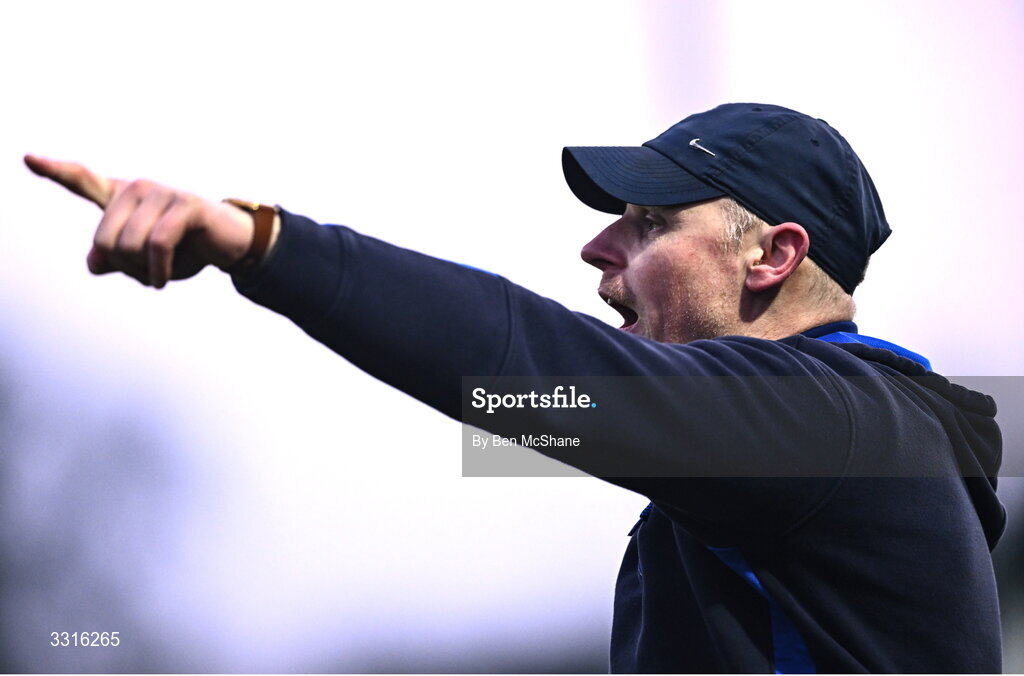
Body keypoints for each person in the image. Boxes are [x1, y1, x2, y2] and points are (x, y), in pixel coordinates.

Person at [26, 103, 1005, 673]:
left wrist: (265, 245)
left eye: (650, 222)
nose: (598, 247)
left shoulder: (829, 425)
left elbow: (545, 374)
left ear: (770, 256)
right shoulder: (817, 444)